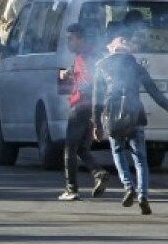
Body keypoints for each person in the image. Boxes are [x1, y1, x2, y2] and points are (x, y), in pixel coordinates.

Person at [93, 35, 168, 215]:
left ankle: (128, 186)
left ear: (112, 48)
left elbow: (97, 99)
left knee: (118, 152)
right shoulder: (136, 65)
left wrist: (96, 124)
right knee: (140, 159)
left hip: (112, 116)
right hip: (135, 116)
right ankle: (143, 196)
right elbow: (153, 90)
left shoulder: (101, 66)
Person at [57, 22, 111, 201]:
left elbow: (89, 81)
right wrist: (70, 73)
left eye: (70, 39)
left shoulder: (84, 57)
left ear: (80, 39)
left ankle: (71, 188)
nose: (68, 42)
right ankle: (99, 173)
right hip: (92, 109)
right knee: (81, 148)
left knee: (70, 147)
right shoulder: (90, 55)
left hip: (81, 107)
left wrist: (79, 87)